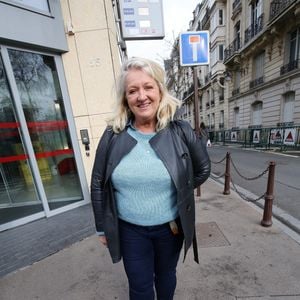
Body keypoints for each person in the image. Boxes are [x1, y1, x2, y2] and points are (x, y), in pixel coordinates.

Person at [90, 57, 211, 300]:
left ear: (159, 90)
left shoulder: (181, 131)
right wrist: (102, 227)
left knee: (166, 276)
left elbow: (202, 170)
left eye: (148, 87)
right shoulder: (112, 134)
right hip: (129, 230)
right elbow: (97, 183)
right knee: (140, 286)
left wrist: (180, 191)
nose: (141, 96)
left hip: (171, 228)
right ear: (126, 98)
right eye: (133, 90)